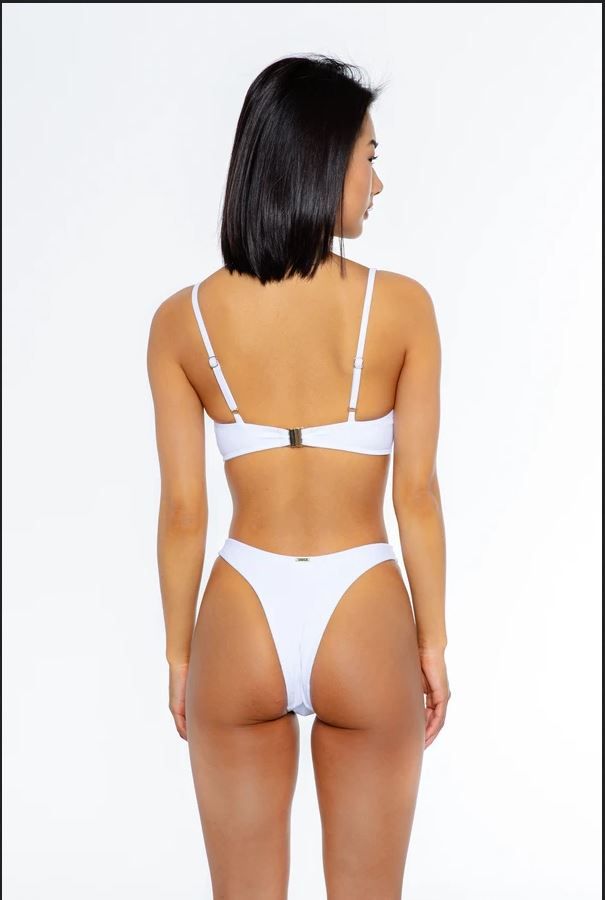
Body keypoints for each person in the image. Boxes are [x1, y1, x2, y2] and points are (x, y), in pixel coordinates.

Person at [147, 53, 450, 900]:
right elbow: (416, 496)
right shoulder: (402, 308)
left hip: (239, 612)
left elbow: (182, 511)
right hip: (364, 609)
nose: (376, 184)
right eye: (368, 158)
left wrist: (180, 657)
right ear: (320, 158)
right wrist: (431, 644)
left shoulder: (182, 322)